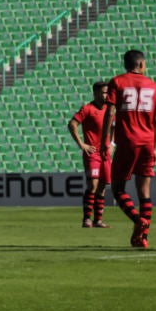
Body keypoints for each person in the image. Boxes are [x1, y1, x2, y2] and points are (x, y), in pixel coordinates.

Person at [101, 49, 156, 249]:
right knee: (144, 192)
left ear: (125, 64)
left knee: (119, 189)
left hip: (127, 141)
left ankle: (138, 221)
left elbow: (110, 112)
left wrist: (105, 141)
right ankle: (142, 237)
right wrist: (154, 147)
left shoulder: (117, 82)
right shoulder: (155, 87)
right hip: (147, 142)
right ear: (142, 64)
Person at [67, 81, 112, 228]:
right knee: (93, 184)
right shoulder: (87, 109)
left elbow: (114, 128)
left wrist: (112, 144)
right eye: (104, 92)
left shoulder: (110, 109)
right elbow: (72, 124)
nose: (107, 95)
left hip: (105, 154)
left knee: (102, 186)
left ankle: (98, 220)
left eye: (108, 92)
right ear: (96, 93)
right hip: (92, 153)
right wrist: (82, 144)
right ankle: (86, 218)